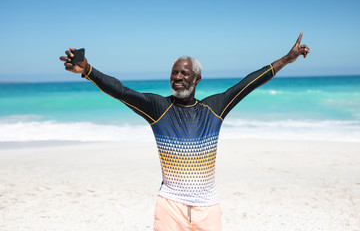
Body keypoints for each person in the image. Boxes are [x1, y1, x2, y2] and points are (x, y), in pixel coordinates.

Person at [59, 32, 310, 231]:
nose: (178, 77)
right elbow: (121, 91)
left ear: (197, 79)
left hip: (208, 208)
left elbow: (248, 83)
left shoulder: (214, 108)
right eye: (174, 73)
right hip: (170, 207)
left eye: (184, 73)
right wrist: (89, 71)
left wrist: (286, 60)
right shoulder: (158, 108)